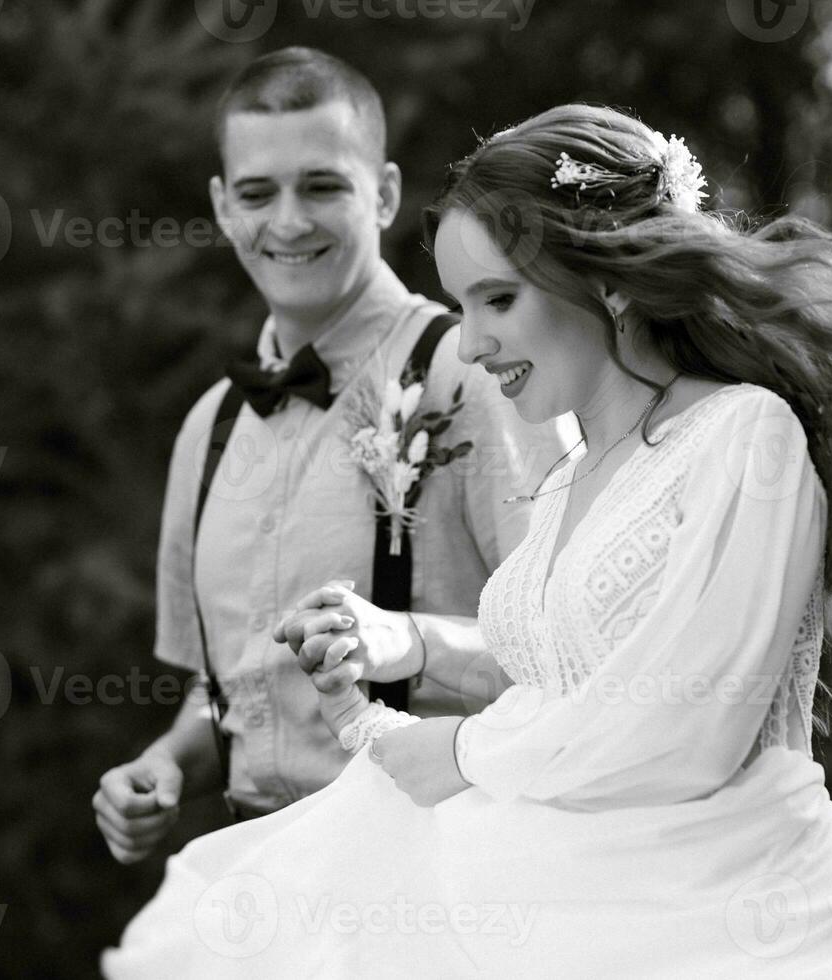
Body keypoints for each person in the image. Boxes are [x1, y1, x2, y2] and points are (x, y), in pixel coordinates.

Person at [101, 104, 832, 976]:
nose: (469, 340)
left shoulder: (743, 435)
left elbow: (678, 726)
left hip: (723, 918)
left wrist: (453, 748)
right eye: (462, 304)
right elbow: (569, 660)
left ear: (605, 276)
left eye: (497, 298)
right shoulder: (573, 476)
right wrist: (404, 644)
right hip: (568, 893)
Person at [91, 48, 569, 861]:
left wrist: (403, 638)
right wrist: (166, 763)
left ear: (382, 192)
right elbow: (229, 695)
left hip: (440, 876)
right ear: (220, 206)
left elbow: (571, 655)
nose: (286, 221)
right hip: (257, 887)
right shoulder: (209, 429)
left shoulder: (480, 374)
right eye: (256, 192)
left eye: (321, 185)